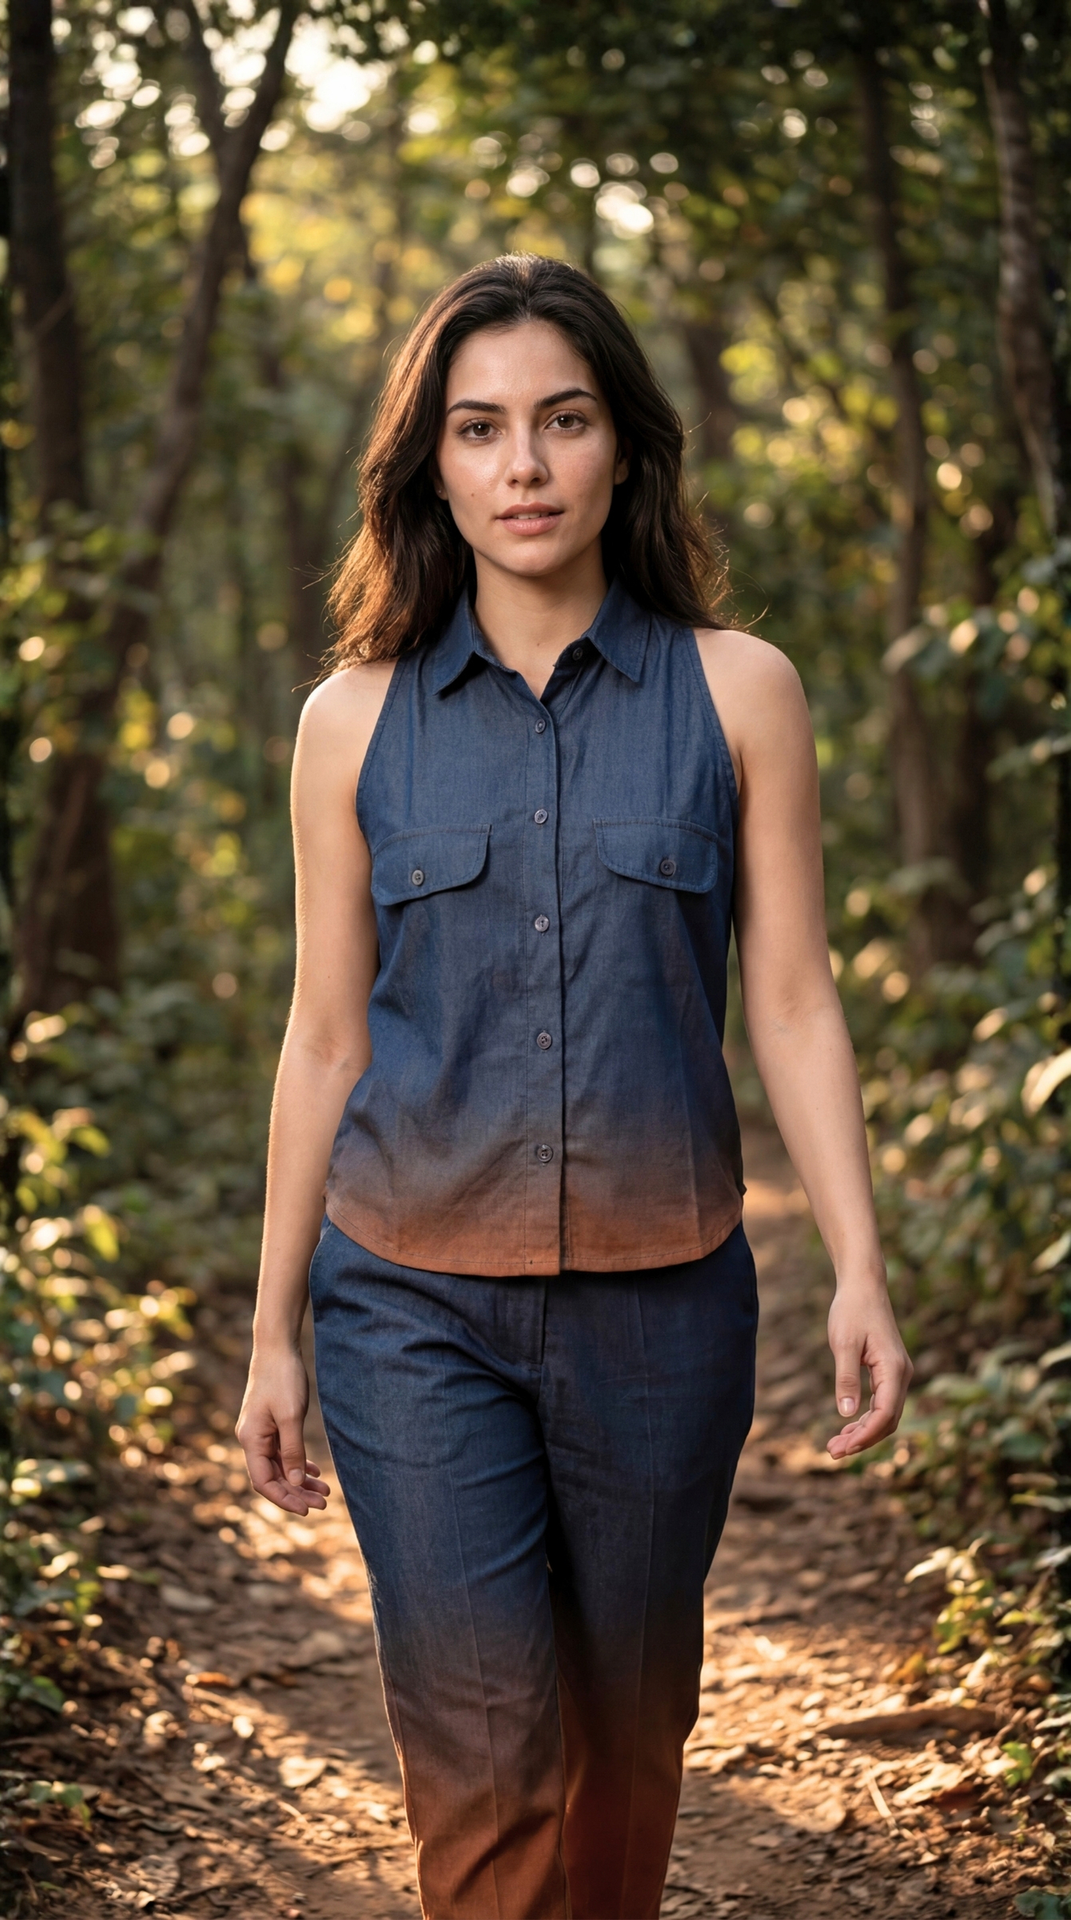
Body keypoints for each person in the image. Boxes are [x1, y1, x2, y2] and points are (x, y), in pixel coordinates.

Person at [235, 253, 912, 1920]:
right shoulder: (350, 721)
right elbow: (323, 1036)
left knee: (626, 1739)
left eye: (560, 420)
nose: (522, 466)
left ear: (623, 447)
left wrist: (860, 1267)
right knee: (480, 1754)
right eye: (478, 429)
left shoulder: (737, 690)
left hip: (662, 1315)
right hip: (409, 1310)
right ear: (431, 465)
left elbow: (793, 995)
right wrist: (272, 1335)